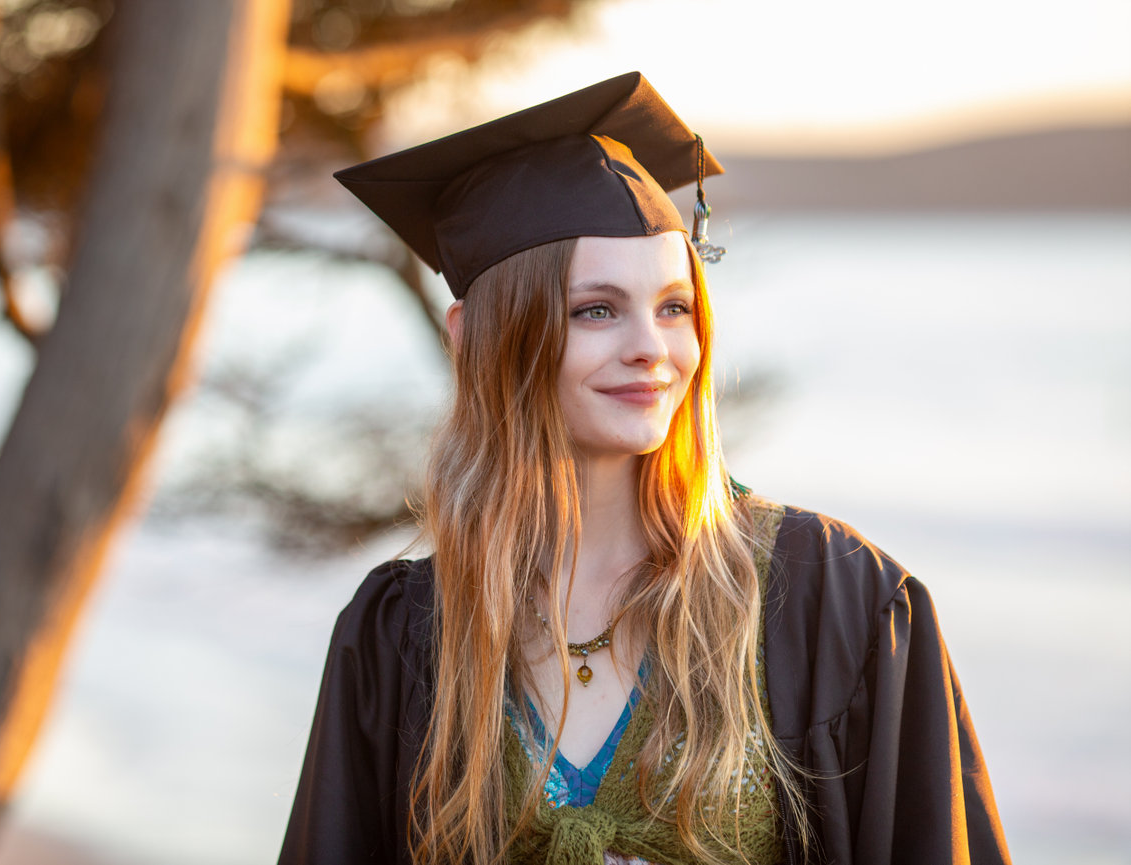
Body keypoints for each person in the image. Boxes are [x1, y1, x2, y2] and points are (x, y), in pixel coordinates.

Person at [278, 72, 1010, 865]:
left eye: (674, 306)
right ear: (474, 337)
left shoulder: (832, 598)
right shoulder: (404, 636)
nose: (650, 349)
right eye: (596, 309)